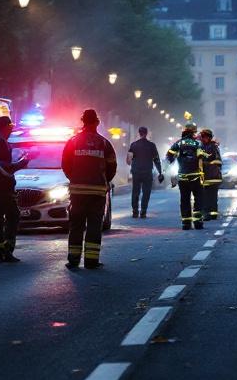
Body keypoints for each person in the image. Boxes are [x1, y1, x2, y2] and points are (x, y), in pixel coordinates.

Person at [61, 109, 116, 269]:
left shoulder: (72, 141)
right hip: (97, 192)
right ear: (97, 122)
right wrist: (104, 180)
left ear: (82, 121)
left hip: (77, 191)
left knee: (76, 225)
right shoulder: (104, 143)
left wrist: (74, 178)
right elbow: (112, 165)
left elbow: (65, 164)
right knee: (94, 225)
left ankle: (73, 260)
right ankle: (91, 261)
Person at [0, 115, 28, 263]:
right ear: (5, 127)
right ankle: (7, 249)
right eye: (10, 127)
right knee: (13, 216)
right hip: (3, 189)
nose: (12, 129)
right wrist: (21, 164)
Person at [166, 123, 204, 229]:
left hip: (182, 176)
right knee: (198, 198)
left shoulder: (178, 143)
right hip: (195, 175)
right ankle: (197, 222)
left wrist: (171, 171)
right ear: (193, 133)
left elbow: (169, 157)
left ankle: (186, 223)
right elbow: (202, 158)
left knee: (185, 199)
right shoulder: (198, 144)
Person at [126, 126, 163, 218]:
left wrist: (132, 164)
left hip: (136, 172)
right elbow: (156, 160)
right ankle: (143, 211)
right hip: (147, 172)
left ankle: (135, 211)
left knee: (135, 192)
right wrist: (160, 172)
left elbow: (128, 160)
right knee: (146, 192)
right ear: (146, 133)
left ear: (139, 133)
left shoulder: (133, 145)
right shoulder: (151, 145)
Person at [198, 129, 223, 223]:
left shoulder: (211, 147)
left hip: (211, 176)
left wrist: (204, 162)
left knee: (207, 197)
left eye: (203, 137)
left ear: (208, 137)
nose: (202, 139)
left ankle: (208, 214)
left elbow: (217, 161)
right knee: (211, 197)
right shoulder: (207, 146)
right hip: (210, 176)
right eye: (201, 137)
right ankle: (212, 214)